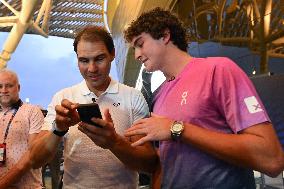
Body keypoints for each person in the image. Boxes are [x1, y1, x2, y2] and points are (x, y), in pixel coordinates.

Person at [124, 7, 284, 189]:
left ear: (164, 35)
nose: (137, 55)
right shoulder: (159, 95)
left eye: (140, 43)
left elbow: (271, 159)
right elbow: (165, 163)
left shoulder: (218, 70)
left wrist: (177, 129)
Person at [28, 25, 158, 188]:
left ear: (112, 54)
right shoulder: (63, 98)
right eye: (84, 60)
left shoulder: (132, 97)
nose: (92, 69)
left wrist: (113, 142)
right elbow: (35, 160)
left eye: (99, 58)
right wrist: (58, 129)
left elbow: (149, 164)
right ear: (77, 59)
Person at [0, 69, 44, 188]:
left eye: (9, 86)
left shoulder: (32, 111)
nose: (3, 90)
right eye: (0, 86)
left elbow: (33, 155)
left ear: (18, 88)